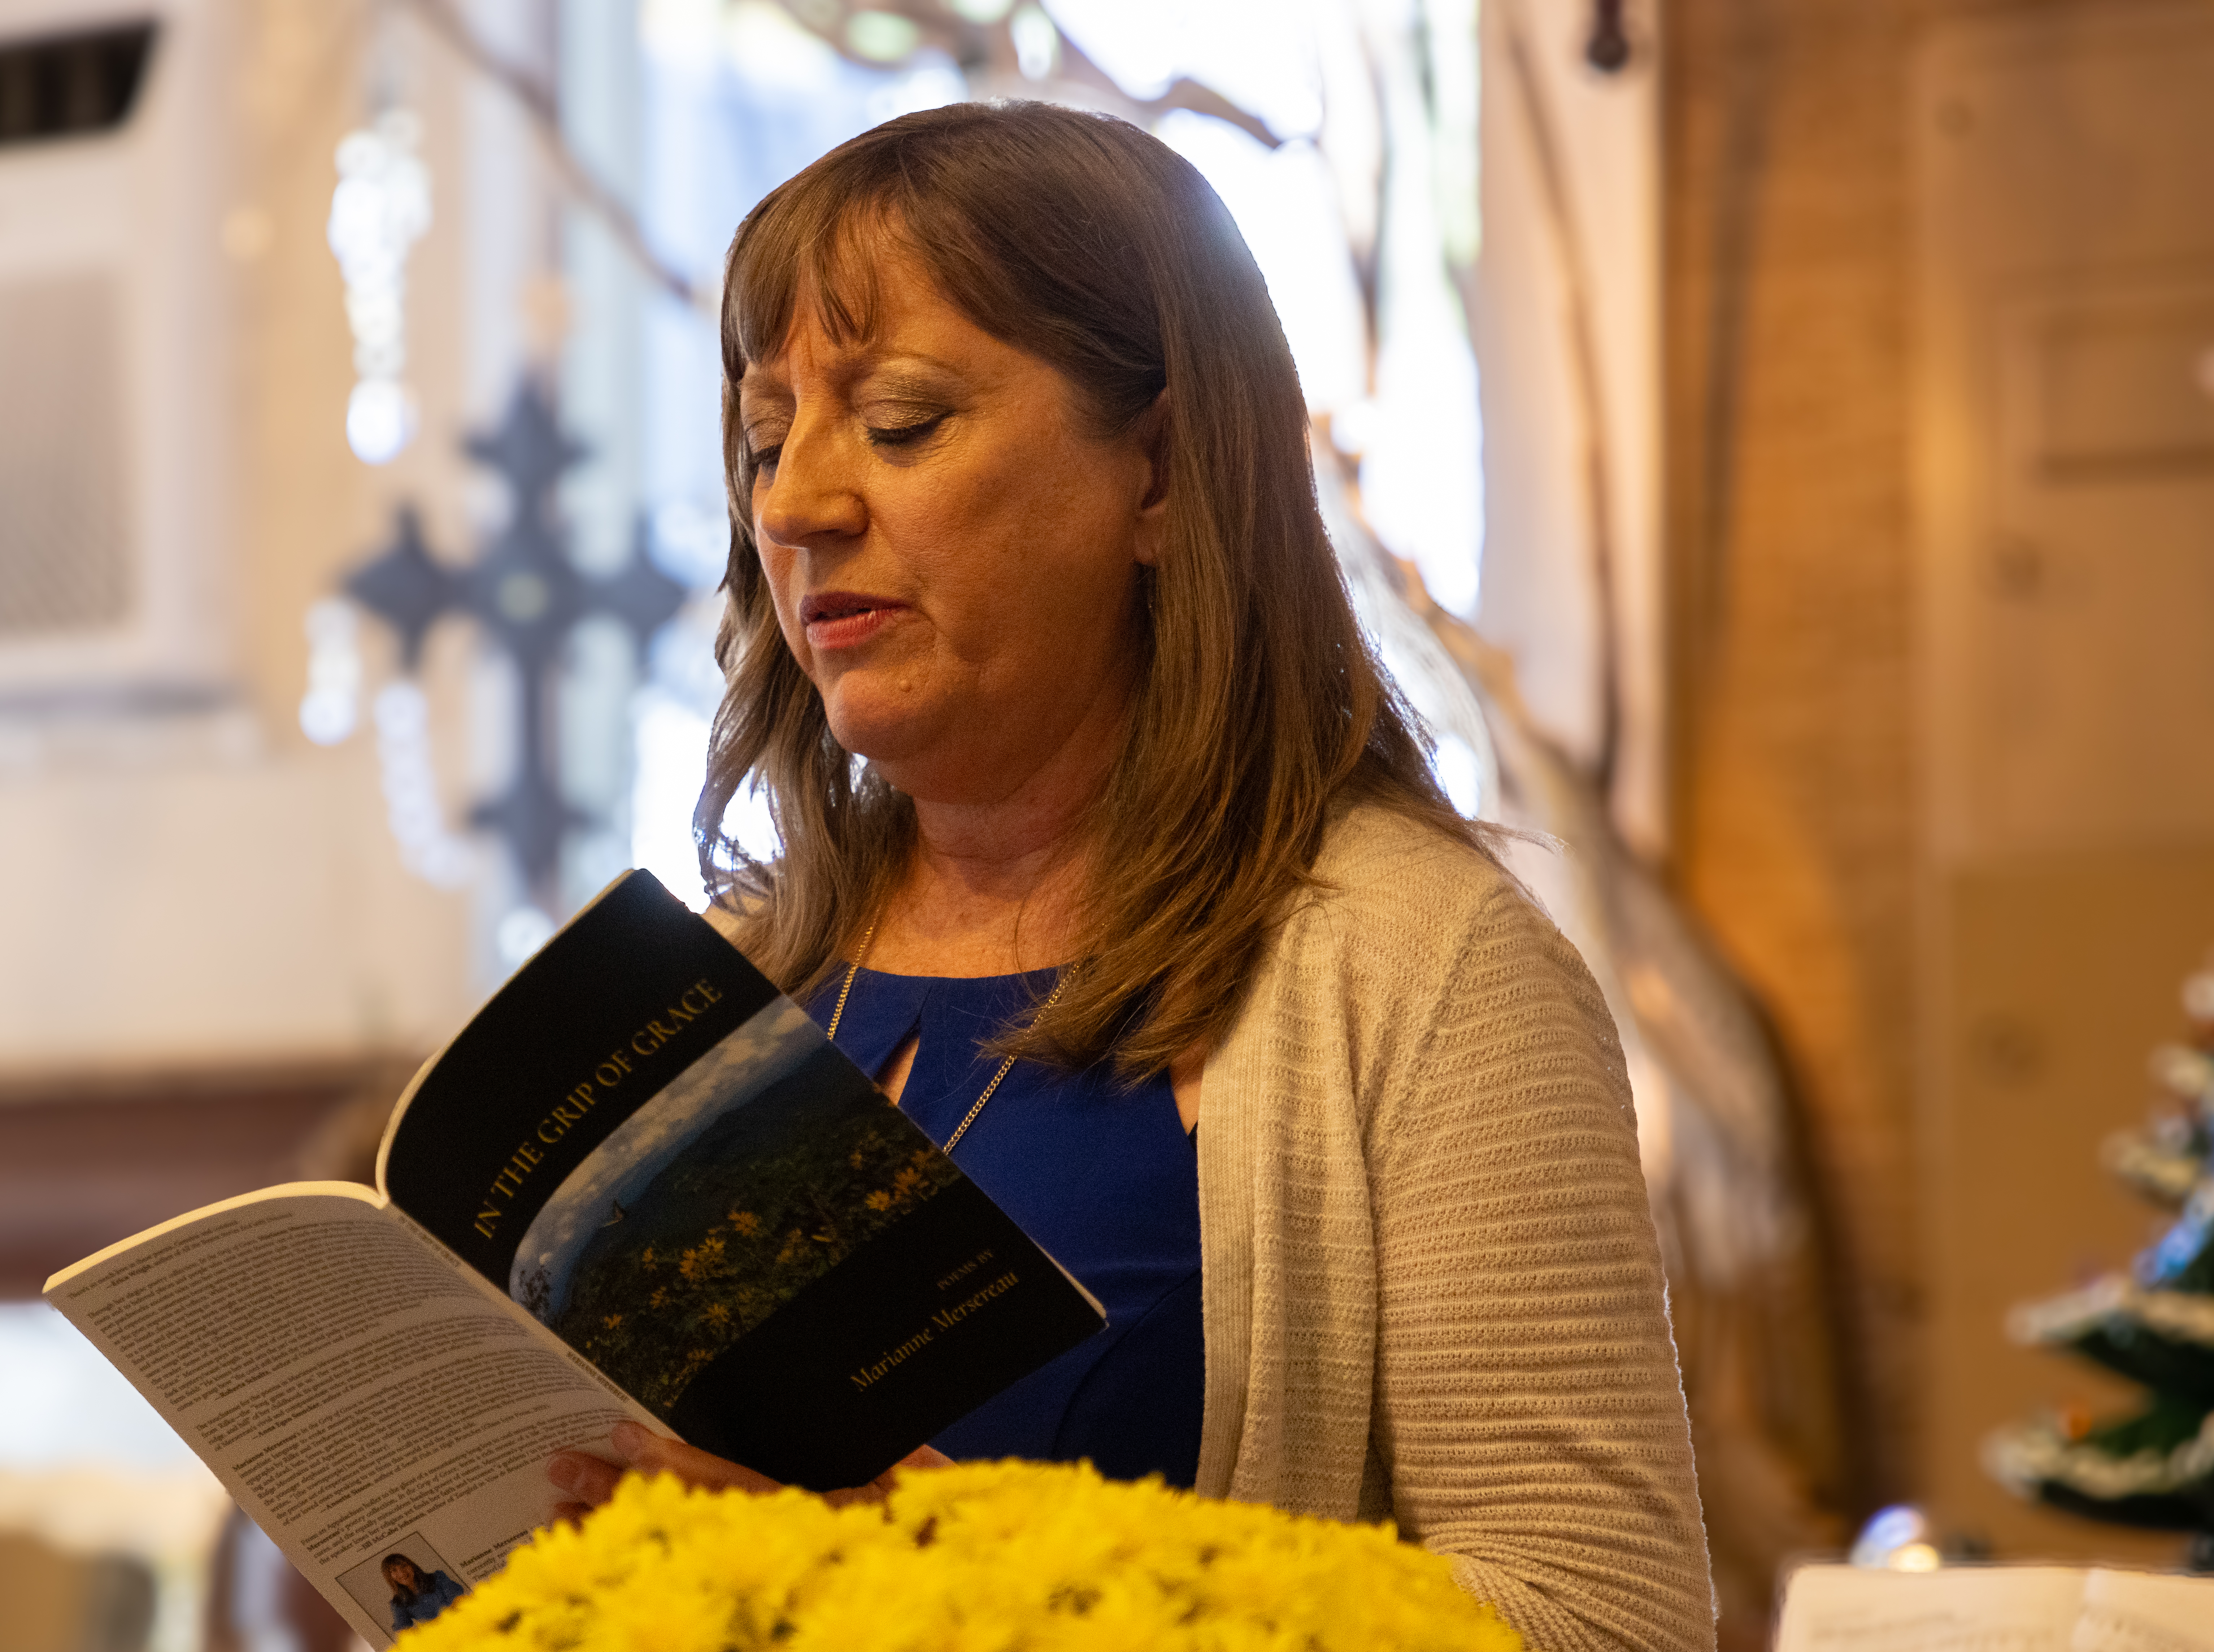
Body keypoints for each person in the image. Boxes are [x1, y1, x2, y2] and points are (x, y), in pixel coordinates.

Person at [547, 101, 1713, 1651]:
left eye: (896, 421)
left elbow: (1600, 1619)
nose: (794, 503)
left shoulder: (1420, 970)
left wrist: (941, 1575)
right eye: (766, 439)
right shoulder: (738, 973)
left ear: (1157, 470)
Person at [380, 1552, 464, 1631]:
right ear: (390, 1577)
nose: (402, 1573)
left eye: (404, 1566)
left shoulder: (438, 1578)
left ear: (411, 1566)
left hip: (461, 1623)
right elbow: (404, 1631)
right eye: (394, 1571)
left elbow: (459, 1601)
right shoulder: (398, 1603)